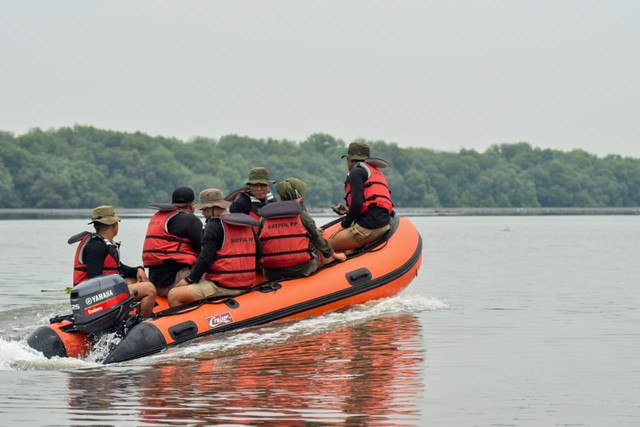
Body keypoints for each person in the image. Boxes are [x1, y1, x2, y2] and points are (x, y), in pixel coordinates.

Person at [168, 188, 262, 307]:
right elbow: (259, 252)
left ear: (215, 208)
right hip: (247, 283)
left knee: (174, 294)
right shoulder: (245, 223)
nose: (203, 213)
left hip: (223, 286)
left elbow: (206, 257)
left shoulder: (214, 225)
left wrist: (188, 280)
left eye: (205, 209)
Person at [72, 206, 156, 318]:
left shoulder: (102, 243)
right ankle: (141, 324)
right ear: (114, 225)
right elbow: (95, 280)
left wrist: (138, 269)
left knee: (135, 279)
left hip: (97, 294)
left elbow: (118, 268)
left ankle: (129, 315)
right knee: (149, 289)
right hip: (92, 298)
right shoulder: (96, 246)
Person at [259, 177, 346, 280]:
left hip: (271, 272)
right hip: (302, 269)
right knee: (319, 251)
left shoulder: (265, 217)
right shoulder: (301, 214)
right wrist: (334, 254)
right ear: (297, 194)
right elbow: (317, 237)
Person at [327, 141, 394, 252]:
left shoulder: (356, 172)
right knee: (346, 250)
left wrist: (344, 225)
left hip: (368, 228)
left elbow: (357, 202)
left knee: (326, 246)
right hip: (384, 225)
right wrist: (348, 211)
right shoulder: (374, 172)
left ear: (351, 160)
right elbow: (371, 205)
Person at [142, 187, 203, 297]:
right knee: (211, 270)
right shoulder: (191, 220)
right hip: (173, 282)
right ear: (192, 205)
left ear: (173, 203)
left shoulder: (159, 216)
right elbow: (204, 250)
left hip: (155, 281)